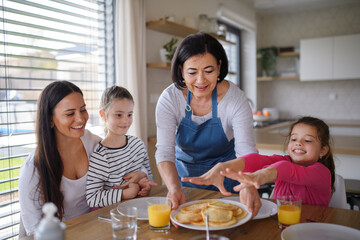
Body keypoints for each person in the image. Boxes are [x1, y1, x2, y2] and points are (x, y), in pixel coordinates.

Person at [155, 32, 258, 211]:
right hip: (184, 183)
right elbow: (164, 151)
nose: (201, 80)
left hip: (227, 182)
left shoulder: (235, 99)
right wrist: (173, 188)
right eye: (192, 72)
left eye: (208, 71)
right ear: (181, 71)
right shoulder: (170, 98)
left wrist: (248, 185)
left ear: (219, 67)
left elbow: (246, 151)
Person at [183, 116, 335, 206]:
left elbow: (287, 170)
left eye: (307, 140)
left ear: (323, 150)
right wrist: (222, 167)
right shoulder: (285, 160)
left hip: (312, 228)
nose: (298, 143)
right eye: (294, 138)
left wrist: (259, 176)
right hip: (280, 225)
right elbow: (256, 160)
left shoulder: (321, 173)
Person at [19, 81, 102, 235]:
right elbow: (34, 231)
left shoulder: (94, 144)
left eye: (83, 110)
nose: (81, 119)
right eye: (70, 113)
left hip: (95, 230)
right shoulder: (33, 168)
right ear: (50, 119)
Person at [86, 86, 157, 208]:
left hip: (138, 210)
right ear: (103, 115)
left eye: (129, 114)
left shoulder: (138, 145)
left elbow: (149, 177)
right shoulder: (101, 155)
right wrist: (124, 194)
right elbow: (92, 198)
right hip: (112, 217)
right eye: (119, 115)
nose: (125, 121)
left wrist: (144, 182)